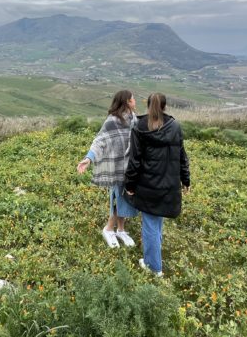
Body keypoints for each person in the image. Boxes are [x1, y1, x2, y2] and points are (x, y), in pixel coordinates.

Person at [124, 93, 190, 276]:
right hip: (169, 185)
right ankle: (153, 258)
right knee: (156, 221)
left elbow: (134, 160)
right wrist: (186, 179)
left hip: (148, 185)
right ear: (164, 106)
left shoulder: (139, 127)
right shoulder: (175, 126)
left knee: (150, 226)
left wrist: (129, 184)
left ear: (148, 105)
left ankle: (154, 267)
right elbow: (182, 155)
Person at [77, 90, 138, 248]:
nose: (135, 101)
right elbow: (100, 140)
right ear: (126, 102)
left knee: (127, 197)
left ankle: (121, 229)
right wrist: (89, 158)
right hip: (116, 167)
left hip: (131, 167)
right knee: (119, 197)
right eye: (133, 99)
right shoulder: (112, 121)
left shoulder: (134, 119)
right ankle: (109, 229)